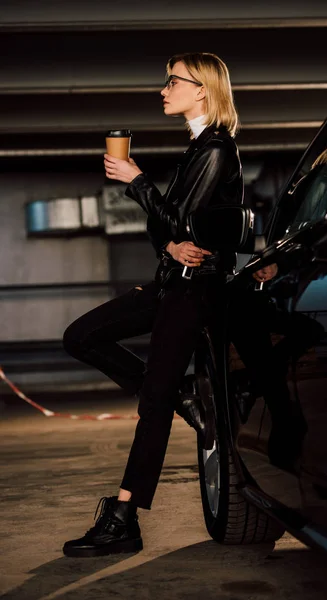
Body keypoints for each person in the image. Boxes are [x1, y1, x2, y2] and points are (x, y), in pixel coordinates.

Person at [62, 52, 243, 557]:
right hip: (171, 282)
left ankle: (123, 518)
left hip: (194, 290)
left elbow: (180, 222)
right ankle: (184, 395)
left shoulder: (217, 150)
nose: (164, 90)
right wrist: (166, 240)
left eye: (173, 82)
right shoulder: (196, 148)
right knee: (80, 337)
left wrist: (137, 180)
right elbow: (166, 226)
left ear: (202, 89)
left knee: (151, 406)